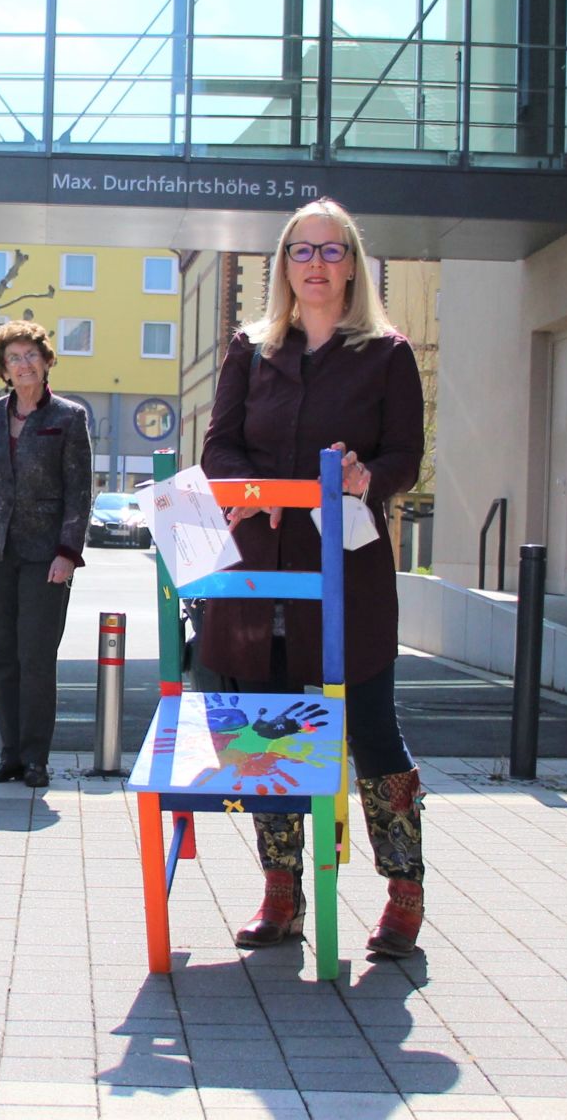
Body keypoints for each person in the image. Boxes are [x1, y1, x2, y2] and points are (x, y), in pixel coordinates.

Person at [199, 198, 427, 958]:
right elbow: (219, 448)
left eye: (333, 252)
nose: (318, 265)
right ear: (283, 266)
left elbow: (404, 458)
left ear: (354, 264)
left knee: (371, 732)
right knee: (268, 739)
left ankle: (403, 891)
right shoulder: (250, 348)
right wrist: (253, 494)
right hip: (261, 582)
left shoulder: (386, 353)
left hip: (348, 576)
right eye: (303, 251)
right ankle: (283, 891)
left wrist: (367, 475)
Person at [0, 320, 93, 790]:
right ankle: (9, 753)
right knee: (2, 658)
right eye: (14, 358)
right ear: (3, 369)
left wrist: (68, 552)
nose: (23, 364)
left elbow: (79, 492)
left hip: (45, 554)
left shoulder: (69, 417)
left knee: (36, 657)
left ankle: (36, 758)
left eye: (31, 355)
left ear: (47, 360)